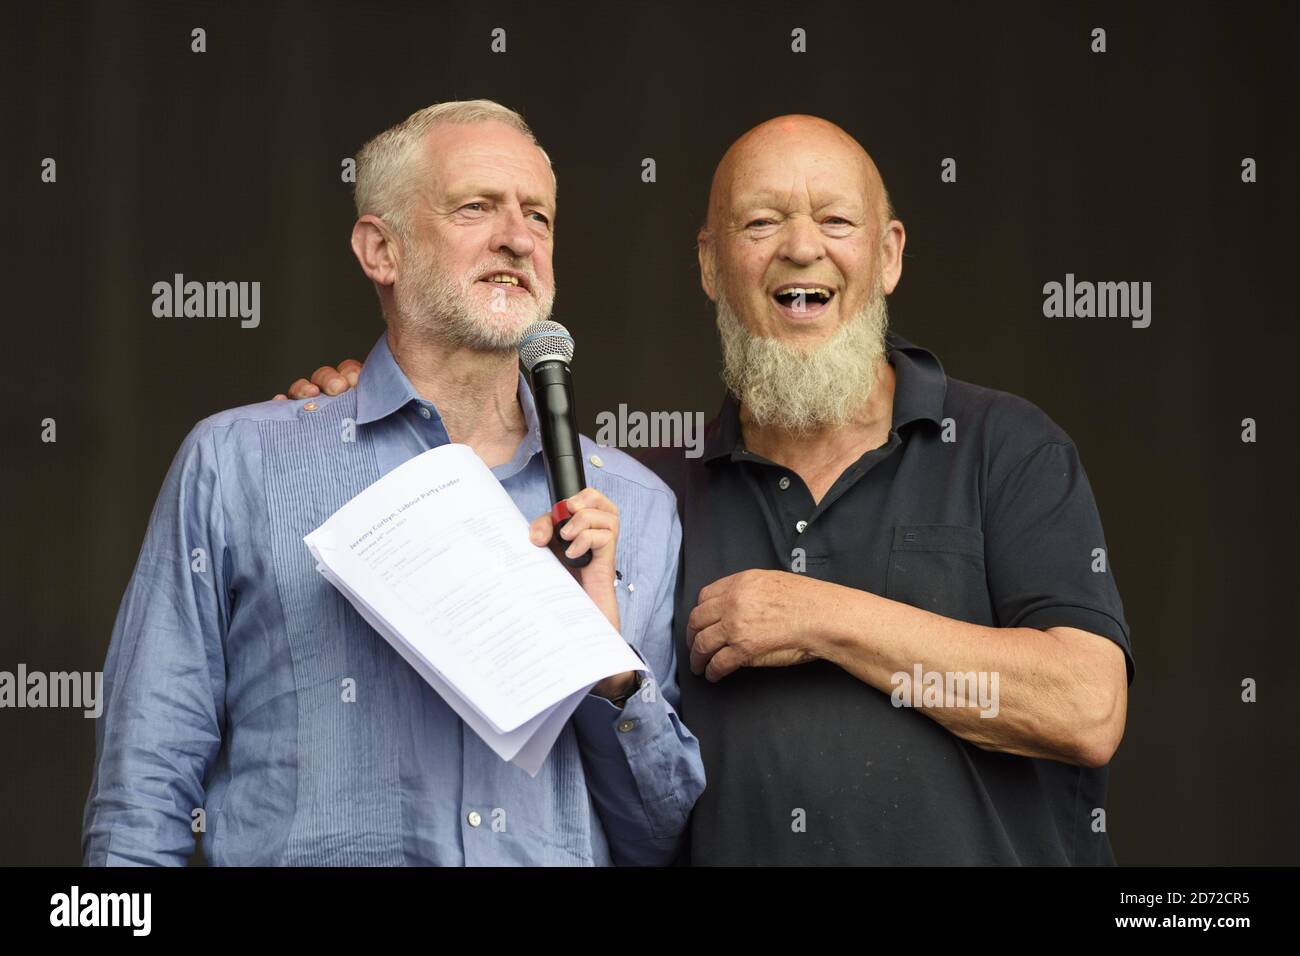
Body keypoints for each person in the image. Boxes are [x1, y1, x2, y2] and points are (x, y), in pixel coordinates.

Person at [288, 113, 1133, 865]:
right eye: (761, 222)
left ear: (888, 256)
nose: (802, 247)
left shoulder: (1000, 445)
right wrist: (379, 407)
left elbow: (1086, 709)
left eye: (836, 220)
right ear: (709, 263)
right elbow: (608, 777)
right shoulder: (650, 502)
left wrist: (821, 615)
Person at [83, 100, 704, 867]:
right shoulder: (237, 464)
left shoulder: (636, 507)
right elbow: (142, 795)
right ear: (381, 249)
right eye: (475, 207)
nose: (517, 237)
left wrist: (608, 672)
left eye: (538, 217)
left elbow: (657, 839)